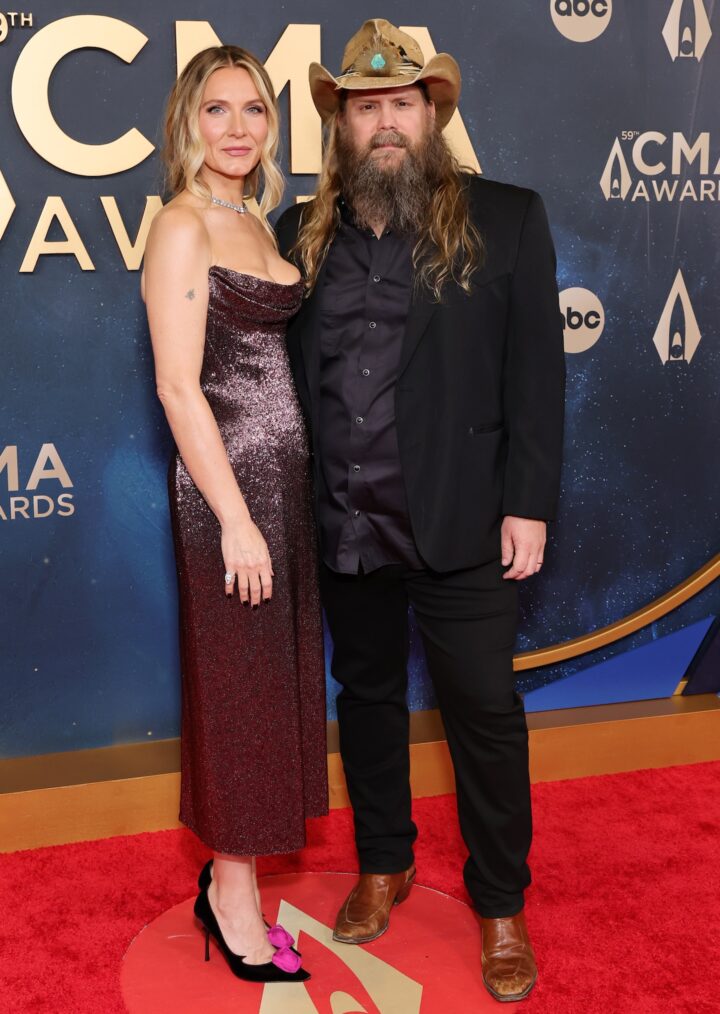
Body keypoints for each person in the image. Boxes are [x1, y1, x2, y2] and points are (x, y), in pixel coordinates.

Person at [276, 19, 565, 1003]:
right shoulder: (294, 236)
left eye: (403, 103)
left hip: (464, 520)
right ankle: (384, 862)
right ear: (342, 127)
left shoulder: (508, 217)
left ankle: (500, 906)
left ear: (432, 114)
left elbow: (537, 378)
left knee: (484, 714)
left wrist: (527, 504)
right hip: (346, 521)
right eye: (366, 108)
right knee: (365, 701)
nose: (387, 122)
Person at [142, 45, 327, 984]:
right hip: (230, 493)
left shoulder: (252, 215)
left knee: (266, 693)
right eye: (217, 110)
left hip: (282, 489)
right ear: (188, 123)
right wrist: (236, 519)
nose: (239, 127)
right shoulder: (181, 225)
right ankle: (235, 901)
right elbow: (180, 388)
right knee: (239, 696)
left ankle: (234, 884)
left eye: (253, 108)